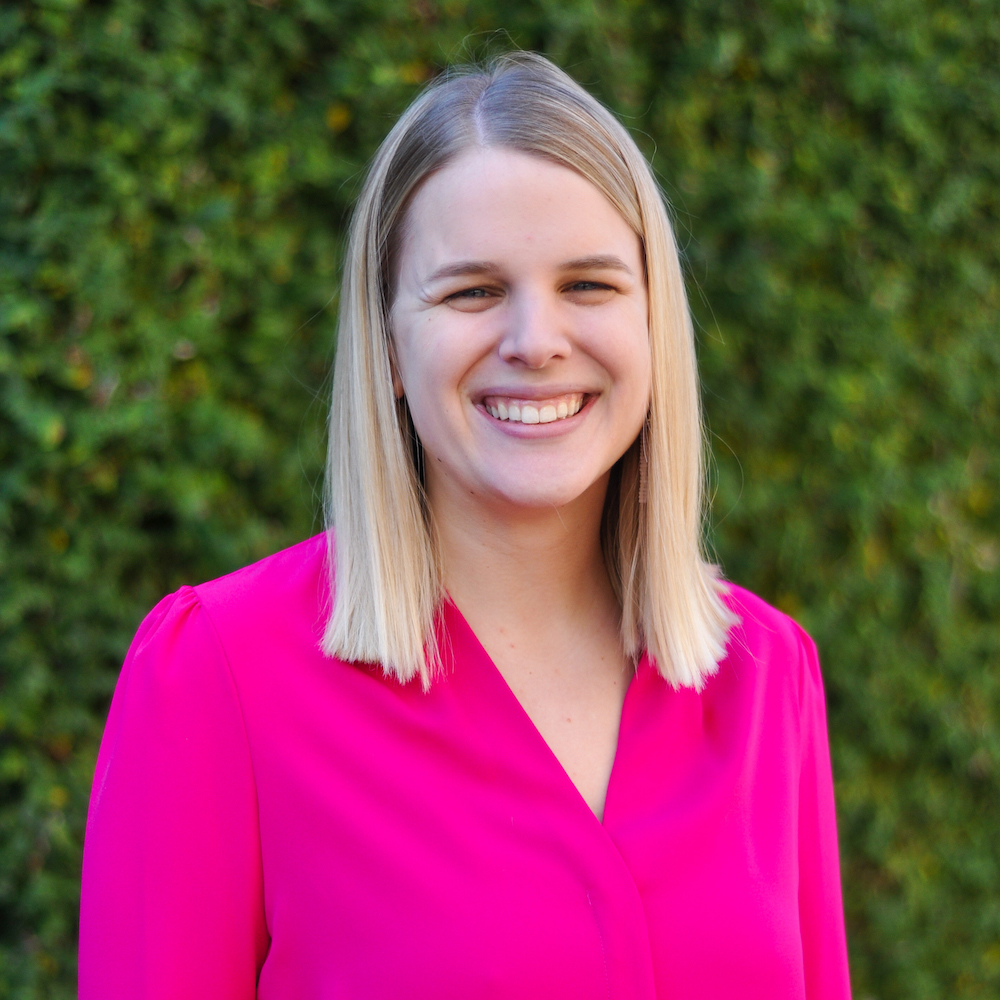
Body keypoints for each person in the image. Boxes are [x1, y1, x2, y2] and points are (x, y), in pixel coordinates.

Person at [79, 52, 852, 999]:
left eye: (590, 285)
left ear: (655, 324)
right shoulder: (220, 675)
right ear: (390, 344)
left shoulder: (767, 676)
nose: (535, 341)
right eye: (473, 291)